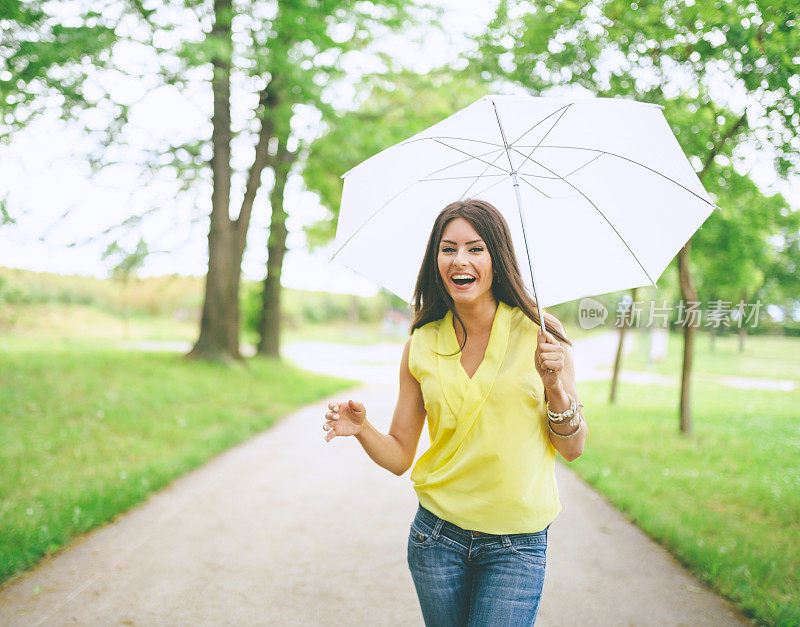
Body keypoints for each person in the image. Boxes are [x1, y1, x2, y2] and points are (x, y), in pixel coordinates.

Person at [323, 199, 587, 625]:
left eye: (474, 248)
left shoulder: (542, 333)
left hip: (516, 545)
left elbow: (572, 448)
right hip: (436, 539)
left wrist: (554, 385)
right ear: (435, 260)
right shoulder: (421, 343)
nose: (459, 260)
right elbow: (399, 456)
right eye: (448, 249)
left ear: (497, 258)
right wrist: (362, 428)